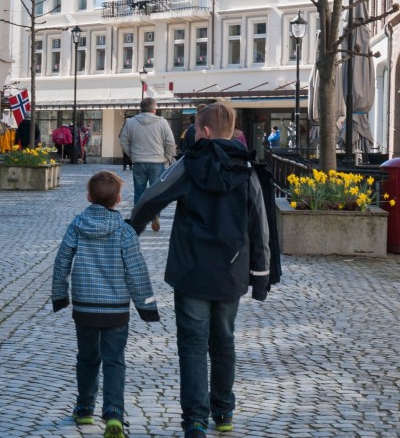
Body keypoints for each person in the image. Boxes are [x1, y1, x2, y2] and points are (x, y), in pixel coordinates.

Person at [127, 103, 271, 438]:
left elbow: (151, 197)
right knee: (224, 341)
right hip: (231, 271)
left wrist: (129, 230)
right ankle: (223, 412)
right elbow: (260, 225)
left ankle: (194, 420)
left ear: (203, 132)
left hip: (191, 269)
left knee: (192, 345)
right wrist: (260, 276)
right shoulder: (247, 170)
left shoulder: (188, 165)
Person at [51, 171, 159, 438]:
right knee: (114, 361)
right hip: (116, 310)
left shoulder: (77, 225)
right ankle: (113, 413)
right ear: (119, 199)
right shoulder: (124, 231)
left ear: (89, 197)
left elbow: (62, 260)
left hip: (85, 307)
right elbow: (137, 270)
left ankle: (84, 407)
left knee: (87, 358)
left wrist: (60, 295)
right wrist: (146, 306)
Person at [118, 97, 176, 232]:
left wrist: (132, 155)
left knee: (139, 191)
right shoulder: (162, 122)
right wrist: (166, 157)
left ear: (141, 108)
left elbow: (123, 140)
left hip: (139, 161)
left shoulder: (130, 122)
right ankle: (155, 215)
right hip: (157, 161)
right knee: (156, 191)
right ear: (154, 109)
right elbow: (170, 143)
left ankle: (137, 220)